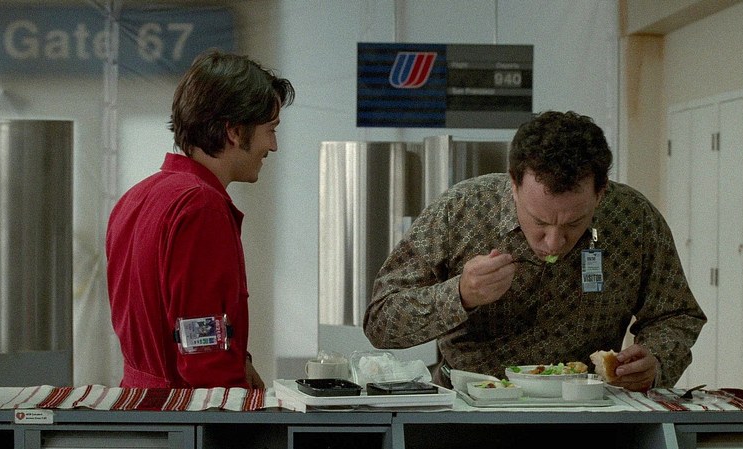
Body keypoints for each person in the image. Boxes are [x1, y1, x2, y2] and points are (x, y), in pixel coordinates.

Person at [363, 110, 706, 392]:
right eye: (539, 221)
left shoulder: (634, 218)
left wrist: (657, 361)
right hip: (473, 402)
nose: (553, 243)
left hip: (589, 408)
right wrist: (460, 295)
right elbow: (381, 322)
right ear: (513, 184)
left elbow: (676, 314)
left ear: (601, 193)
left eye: (573, 223)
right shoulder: (461, 210)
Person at [106, 49, 295, 389]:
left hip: (140, 404)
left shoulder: (136, 197)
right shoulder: (201, 207)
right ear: (234, 131)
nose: (273, 146)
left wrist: (240, 360)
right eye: (270, 129)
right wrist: (237, 400)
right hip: (187, 410)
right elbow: (203, 355)